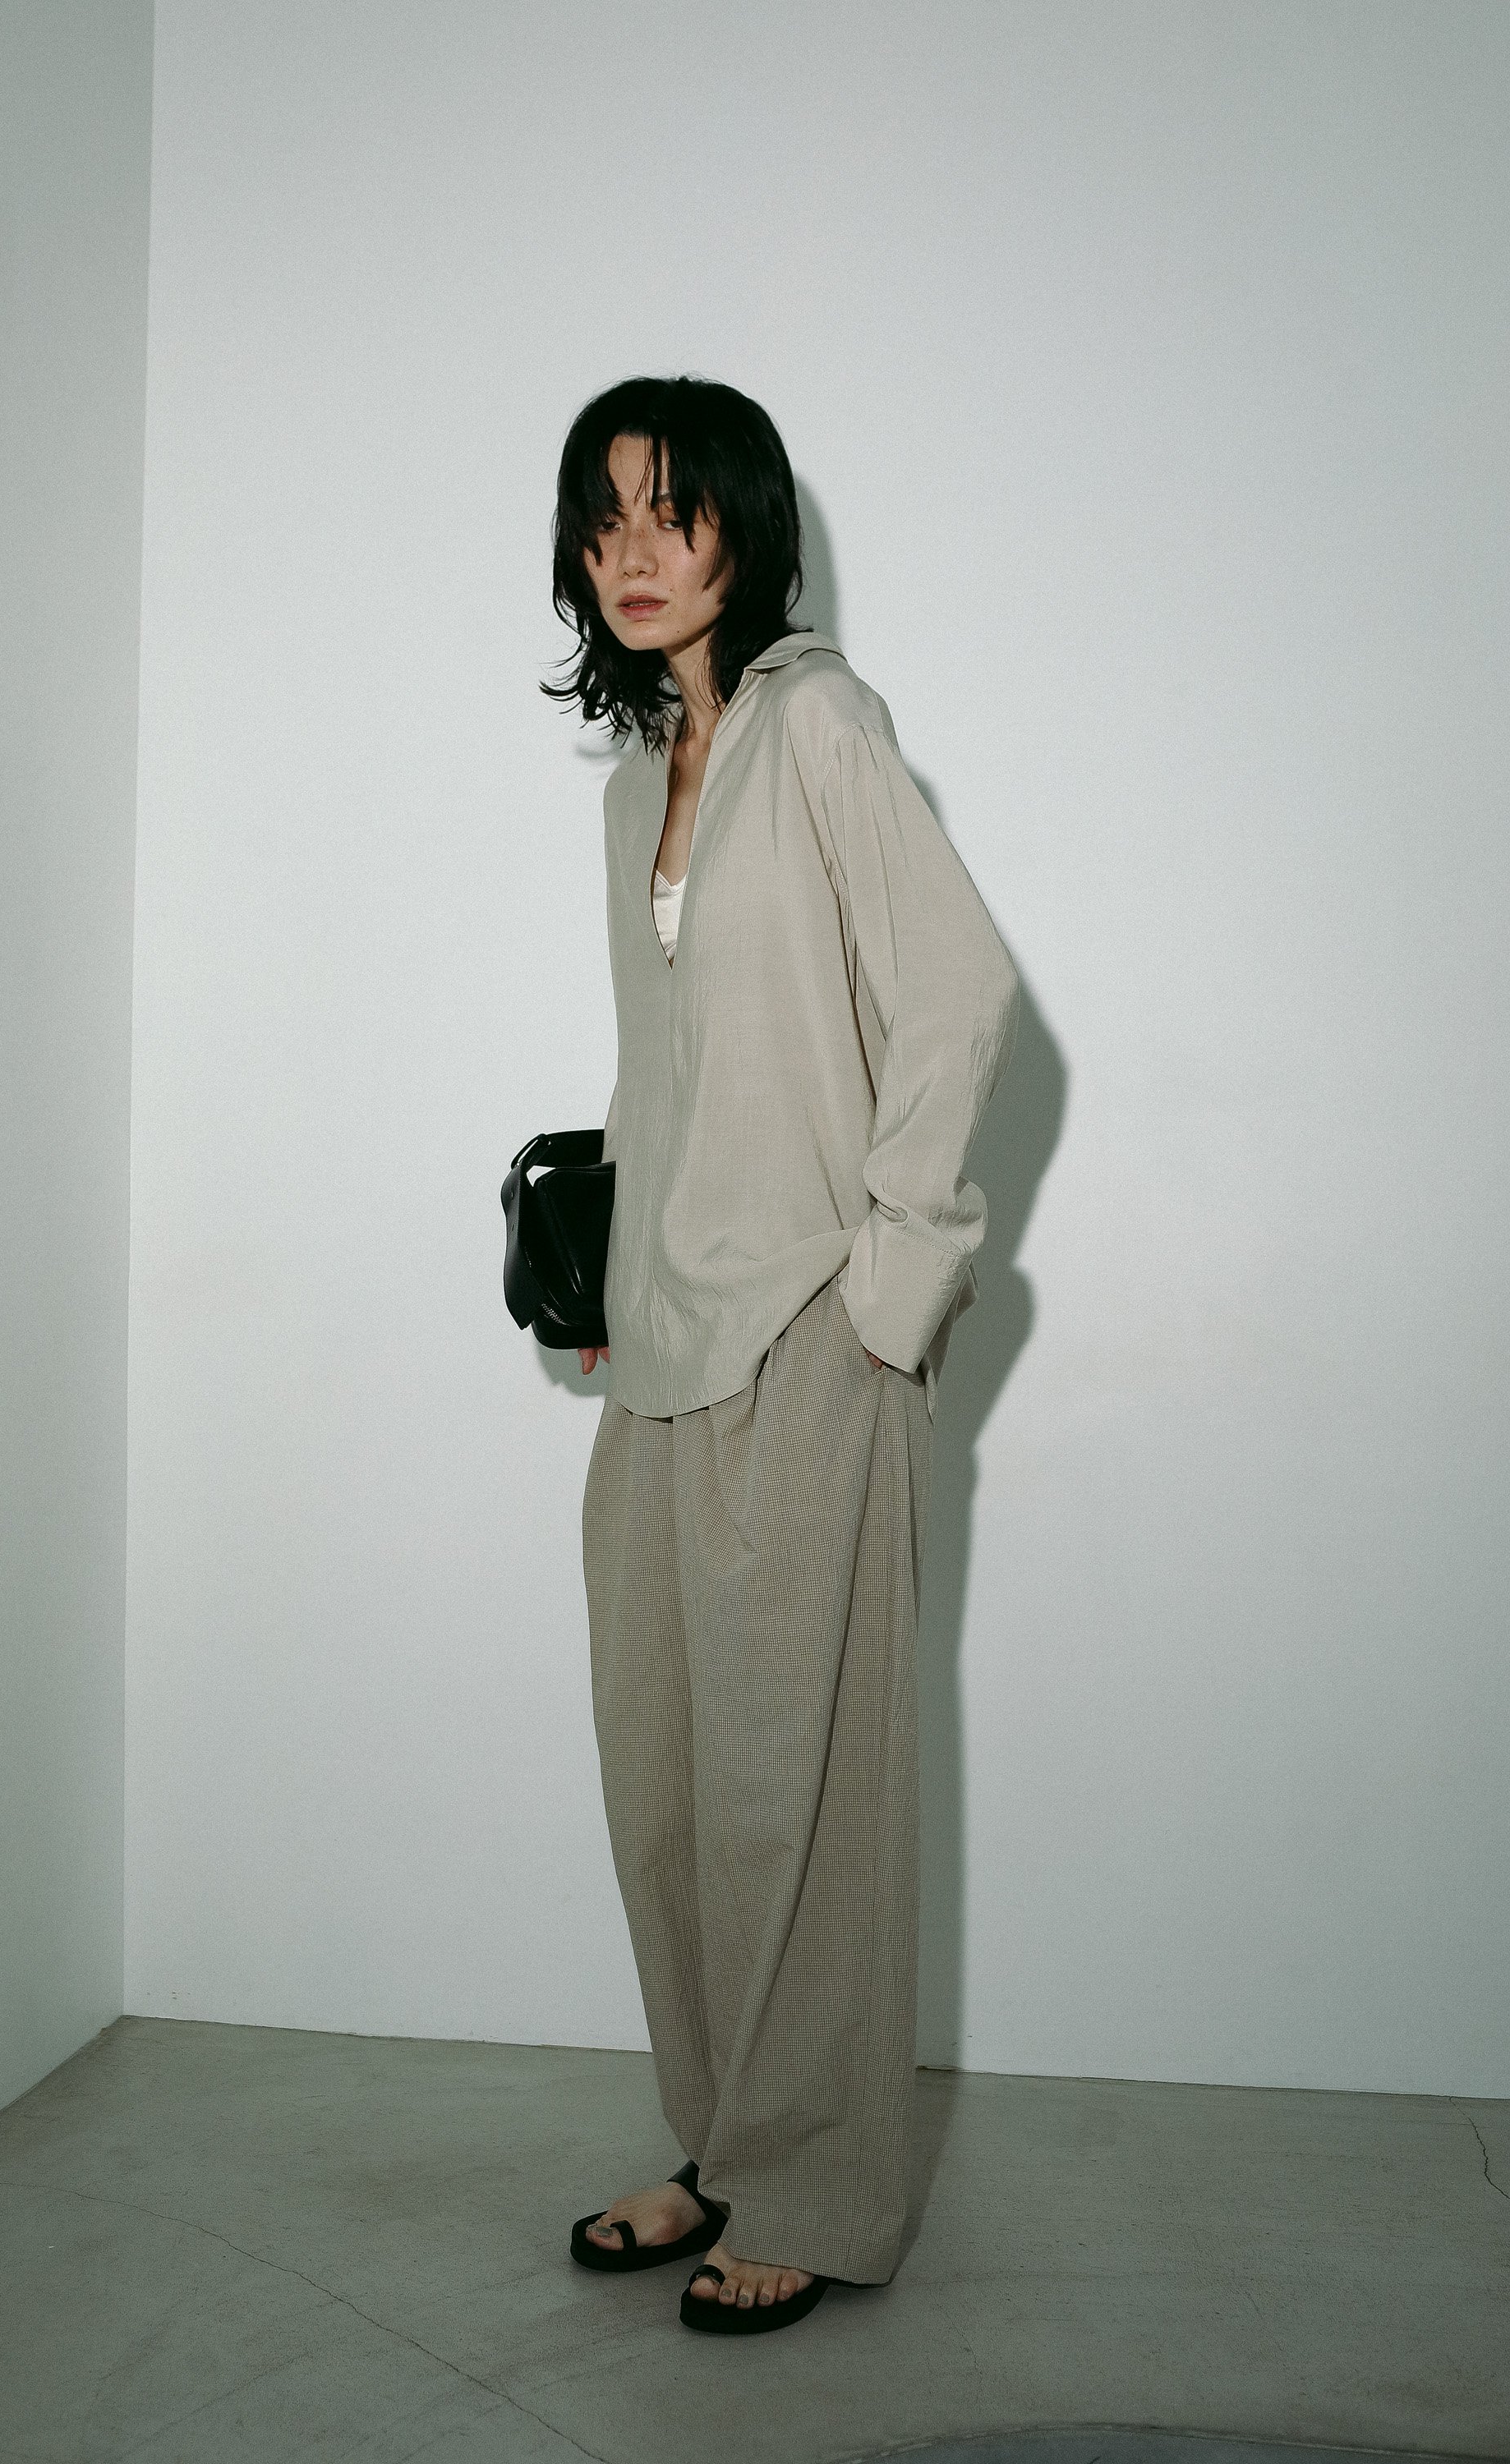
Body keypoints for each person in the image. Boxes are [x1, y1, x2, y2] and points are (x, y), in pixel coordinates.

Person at [546, 375, 1019, 2335]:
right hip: (660, 1337)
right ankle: (723, 2136)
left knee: (800, 1792)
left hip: (812, 1326)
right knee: (668, 1778)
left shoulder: (820, 724)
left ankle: (816, 2186)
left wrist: (892, 1291)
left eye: (672, 513)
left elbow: (960, 999)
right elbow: (667, 1067)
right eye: (604, 522)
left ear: (743, 526)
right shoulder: (631, 781)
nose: (637, 555)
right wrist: (597, 1267)